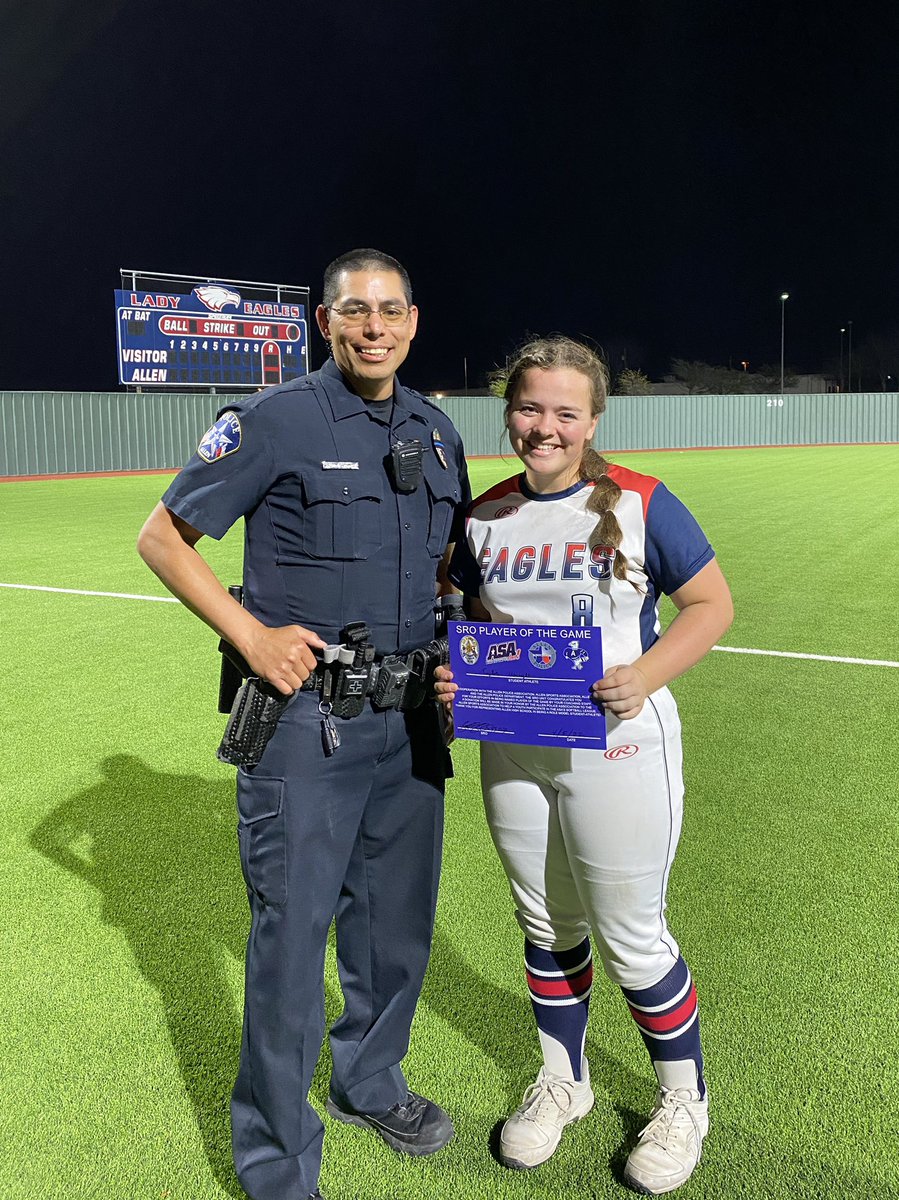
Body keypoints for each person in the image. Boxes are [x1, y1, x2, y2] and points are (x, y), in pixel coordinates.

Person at [137, 249, 470, 1200]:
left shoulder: (439, 434)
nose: (375, 327)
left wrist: (453, 659)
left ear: (414, 319)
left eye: (392, 310)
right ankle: (278, 1164)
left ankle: (370, 1082)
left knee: (395, 931)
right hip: (303, 731)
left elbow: (442, 575)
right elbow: (163, 536)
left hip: (407, 727)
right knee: (292, 944)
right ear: (325, 322)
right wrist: (249, 632)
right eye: (355, 311)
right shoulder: (274, 420)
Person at [436, 336, 733, 1195]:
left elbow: (710, 604)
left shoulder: (640, 501)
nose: (544, 426)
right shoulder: (484, 514)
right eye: (530, 408)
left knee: (633, 941)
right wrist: (462, 671)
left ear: (592, 419)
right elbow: (470, 616)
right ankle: (563, 1082)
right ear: (509, 413)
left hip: (620, 746)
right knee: (545, 928)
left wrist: (643, 673)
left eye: (565, 412)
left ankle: (685, 1101)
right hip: (515, 746)